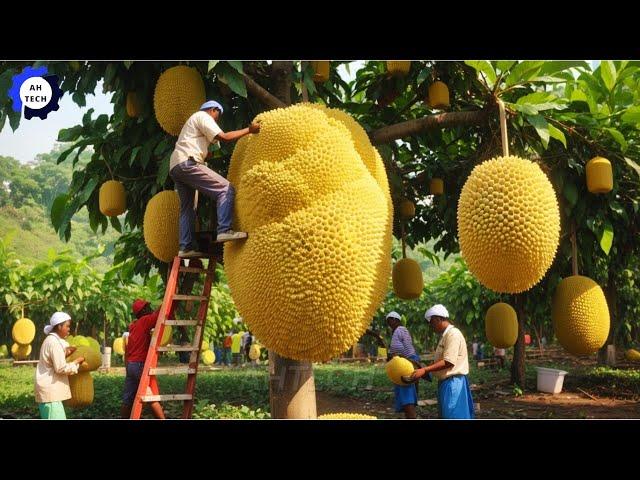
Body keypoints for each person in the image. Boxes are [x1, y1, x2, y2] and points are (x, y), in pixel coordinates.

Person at [169, 100, 261, 257]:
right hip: (188, 162)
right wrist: (249, 130)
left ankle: (185, 248)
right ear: (213, 110)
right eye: (217, 116)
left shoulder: (193, 124)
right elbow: (224, 137)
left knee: (188, 208)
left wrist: (207, 153)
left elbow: (207, 147)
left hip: (176, 166)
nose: (216, 120)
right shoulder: (203, 116)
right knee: (226, 189)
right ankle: (224, 230)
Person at [405, 305, 474, 419]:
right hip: (446, 383)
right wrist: (424, 370)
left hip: (453, 383)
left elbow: (448, 362)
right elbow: (441, 362)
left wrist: (425, 370)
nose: (432, 326)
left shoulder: (453, 334)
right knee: (446, 415)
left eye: (432, 323)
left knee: (453, 415)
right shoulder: (445, 336)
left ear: (438, 319)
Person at [120, 299, 174, 419]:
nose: (150, 309)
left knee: (127, 399)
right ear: (143, 311)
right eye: (147, 308)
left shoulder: (134, 325)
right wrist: (168, 300)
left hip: (131, 365)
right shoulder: (145, 321)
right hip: (139, 365)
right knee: (151, 396)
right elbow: (158, 315)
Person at [34, 312, 85, 419]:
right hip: (51, 394)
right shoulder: (54, 343)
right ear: (59, 326)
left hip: (49, 393)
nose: (69, 329)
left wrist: (66, 353)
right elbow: (61, 368)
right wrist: (76, 362)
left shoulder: (50, 340)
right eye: (67, 326)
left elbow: (52, 360)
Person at [386, 311, 431, 419]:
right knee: (405, 395)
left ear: (395, 320)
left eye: (389, 321)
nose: (389, 324)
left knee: (407, 396)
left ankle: (411, 417)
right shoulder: (397, 331)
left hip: (406, 364)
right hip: (404, 364)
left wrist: (393, 355)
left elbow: (401, 350)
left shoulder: (400, 329)